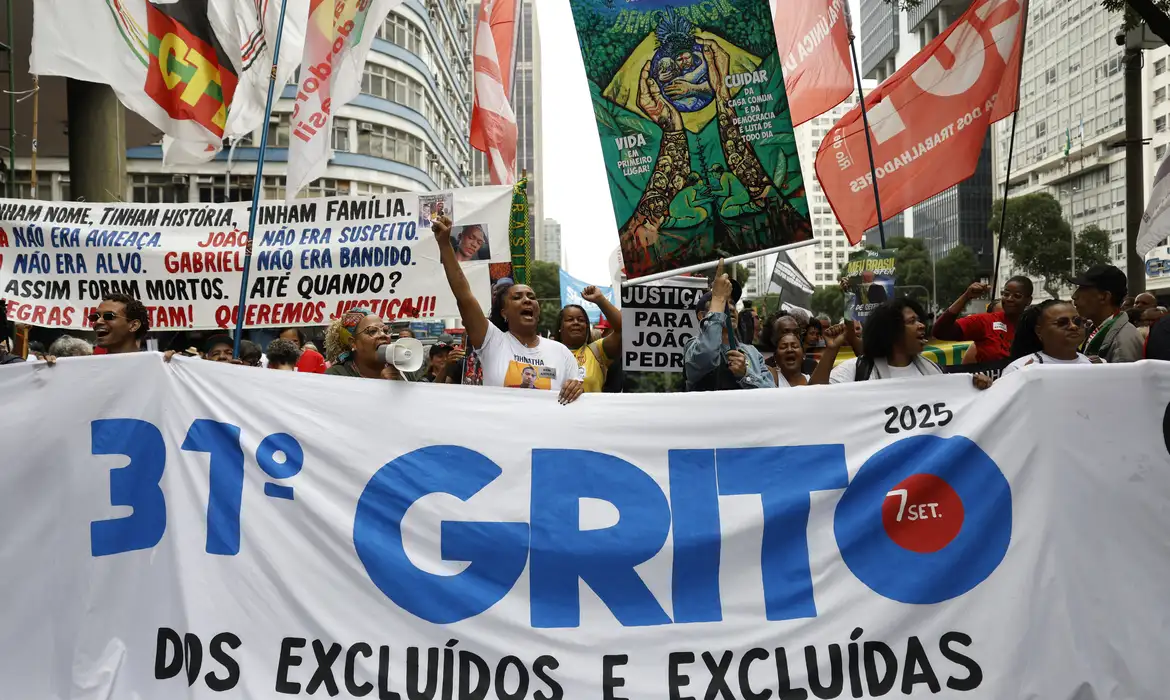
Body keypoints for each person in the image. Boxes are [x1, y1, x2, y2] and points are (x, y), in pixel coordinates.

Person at [433, 216, 583, 403]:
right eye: (517, 297)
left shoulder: (561, 353)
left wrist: (577, 387)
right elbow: (464, 296)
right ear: (504, 312)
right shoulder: (492, 342)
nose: (527, 300)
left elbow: (576, 396)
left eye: (531, 297)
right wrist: (445, 245)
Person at [813, 298, 992, 388]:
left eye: (919, 320)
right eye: (912, 321)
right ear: (891, 330)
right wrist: (831, 351)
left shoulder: (934, 371)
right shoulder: (856, 371)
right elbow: (812, 399)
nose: (922, 326)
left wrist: (976, 387)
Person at [683, 261, 774, 390]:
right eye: (723, 303)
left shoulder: (752, 353)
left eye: (732, 303)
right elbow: (707, 354)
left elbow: (771, 393)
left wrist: (745, 374)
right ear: (702, 316)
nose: (730, 308)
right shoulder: (693, 347)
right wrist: (718, 299)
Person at [932, 277, 1032, 363]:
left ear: (1029, 301)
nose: (1009, 298)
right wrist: (966, 297)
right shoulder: (985, 321)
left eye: (1017, 296)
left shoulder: (1035, 325)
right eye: (1005, 294)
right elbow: (940, 332)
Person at [554, 285, 623, 393]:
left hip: (593, 410)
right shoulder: (548, 352)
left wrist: (600, 300)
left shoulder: (598, 350)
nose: (576, 322)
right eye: (570, 319)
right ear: (560, 327)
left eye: (581, 320)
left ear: (587, 326)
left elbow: (622, 329)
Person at [1071, 265, 1143, 363]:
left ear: (1104, 297)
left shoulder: (1122, 341)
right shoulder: (1097, 330)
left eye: (1083, 289)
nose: (1074, 296)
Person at [1002, 300, 1095, 376]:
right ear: (1039, 331)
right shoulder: (1018, 369)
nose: (1073, 326)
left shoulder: (1097, 365)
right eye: (1062, 322)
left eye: (1077, 321)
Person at [324, 309, 403, 380]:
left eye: (385, 330)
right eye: (372, 331)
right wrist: (381, 385)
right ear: (353, 343)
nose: (383, 335)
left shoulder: (405, 369)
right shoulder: (335, 375)